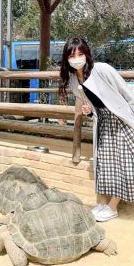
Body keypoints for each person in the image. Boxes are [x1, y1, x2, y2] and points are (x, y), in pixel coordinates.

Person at [59, 37, 134, 222]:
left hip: (121, 120)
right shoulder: (73, 81)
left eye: (80, 53)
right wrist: (90, 112)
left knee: (124, 163)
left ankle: (112, 207)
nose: (77, 58)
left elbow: (127, 94)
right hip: (104, 123)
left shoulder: (102, 69)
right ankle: (103, 205)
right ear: (67, 58)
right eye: (72, 55)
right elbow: (94, 106)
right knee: (105, 165)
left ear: (86, 54)